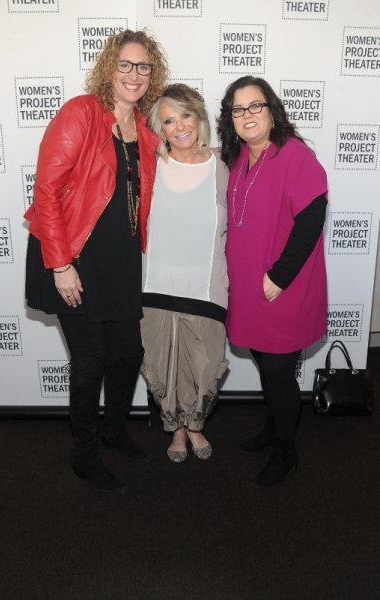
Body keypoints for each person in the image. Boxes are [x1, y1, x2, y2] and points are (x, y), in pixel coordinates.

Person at [24, 30, 169, 494]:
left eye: (143, 67)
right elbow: (46, 190)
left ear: (153, 74)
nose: (134, 74)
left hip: (120, 262)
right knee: (90, 361)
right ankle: (84, 455)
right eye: (125, 65)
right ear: (110, 68)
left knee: (128, 352)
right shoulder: (81, 113)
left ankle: (114, 429)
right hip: (73, 256)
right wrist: (61, 264)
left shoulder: (145, 129)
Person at [217, 76, 328, 488]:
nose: (247, 115)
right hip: (248, 284)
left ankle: (286, 450)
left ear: (272, 110)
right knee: (265, 363)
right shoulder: (237, 157)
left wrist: (279, 277)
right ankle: (272, 427)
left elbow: (311, 220)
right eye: (238, 109)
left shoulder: (295, 155)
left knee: (280, 370)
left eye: (255, 106)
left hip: (284, 284)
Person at [140, 84, 229, 462]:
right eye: (168, 120)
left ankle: (196, 424)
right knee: (161, 365)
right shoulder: (151, 166)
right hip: (155, 284)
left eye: (185, 115)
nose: (179, 126)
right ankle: (177, 430)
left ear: (199, 117)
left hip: (206, 285)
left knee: (206, 366)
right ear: (159, 130)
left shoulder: (224, 166)